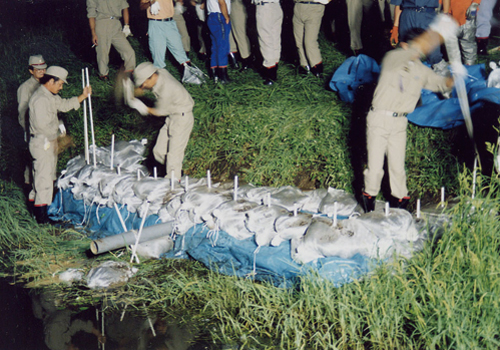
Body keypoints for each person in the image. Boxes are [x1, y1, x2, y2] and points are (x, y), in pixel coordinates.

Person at [361, 15, 457, 212]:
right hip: (379, 118)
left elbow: (439, 83)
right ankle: (368, 200)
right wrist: (433, 35)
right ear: (405, 44)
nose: (421, 50)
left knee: (397, 166)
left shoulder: (420, 70)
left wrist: (455, 76)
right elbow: (411, 52)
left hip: (399, 123)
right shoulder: (393, 58)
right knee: (375, 167)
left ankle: (400, 203)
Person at [29, 66, 92, 224]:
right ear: (51, 81)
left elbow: (63, 105)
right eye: (60, 84)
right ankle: (42, 219)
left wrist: (82, 96)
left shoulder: (49, 96)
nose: (61, 87)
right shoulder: (40, 99)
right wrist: (60, 137)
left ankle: (37, 212)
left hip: (48, 144)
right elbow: (42, 125)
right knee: (43, 181)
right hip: (42, 142)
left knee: (47, 178)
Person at [127, 62, 194, 180]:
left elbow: (159, 111)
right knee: (158, 151)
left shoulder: (166, 88)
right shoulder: (158, 73)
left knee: (174, 154)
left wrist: (142, 107)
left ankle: (173, 180)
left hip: (182, 118)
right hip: (172, 116)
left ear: (151, 77)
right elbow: (147, 84)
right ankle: (175, 170)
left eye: (143, 84)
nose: (144, 86)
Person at [17, 55, 47, 203]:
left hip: (46, 133)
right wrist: (30, 133)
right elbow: (22, 113)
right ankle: (30, 199)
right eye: (38, 69)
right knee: (32, 166)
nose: (42, 71)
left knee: (42, 166)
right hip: (33, 134)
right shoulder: (25, 88)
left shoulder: (46, 85)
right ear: (31, 70)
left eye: (44, 69)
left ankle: (41, 197)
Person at [390, 0, 450, 73]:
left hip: (428, 15)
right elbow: (398, 5)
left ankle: (439, 81)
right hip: (407, 16)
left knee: (434, 54)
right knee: (406, 52)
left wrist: (445, 16)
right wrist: (395, 28)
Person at [87, 0, 136, 81]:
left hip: (116, 24)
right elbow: (91, 15)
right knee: (102, 52)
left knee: (128, 51)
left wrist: (126, 25)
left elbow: (125, 7)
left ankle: (129, 73)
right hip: (101, 23)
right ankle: (103, 75)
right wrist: (93, 33)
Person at [140, 0, 192, 71]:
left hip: (170, 23)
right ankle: (160, 77)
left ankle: (192, 76)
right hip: (155, 23)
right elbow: (142, 7)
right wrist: (150, 3)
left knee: (179, 50)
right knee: (158, 54)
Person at [293, 0, 329, 77]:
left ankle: (316, 65)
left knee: (309, 41)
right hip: (298, 6)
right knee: (298, 40)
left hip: (314, 7)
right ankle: (304, 65)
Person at [253, 0, 283, 85]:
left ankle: (270, 73)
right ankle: (274, 68)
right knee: (275, 38)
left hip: (264, 7)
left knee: (266, 39)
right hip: (276, 6)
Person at [449, 0, 481, 65]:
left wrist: (475, 3)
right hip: (450, 16)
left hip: (467, 15)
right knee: (451, 45)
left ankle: (469, 66)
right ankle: (455, 66)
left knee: (468, 43)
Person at [207, 0, 232, 82]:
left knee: (215, 46)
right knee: (223, 46)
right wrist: (226, 16)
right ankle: (223, 77)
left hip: (211, 15)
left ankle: (215, 74)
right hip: (219, 15)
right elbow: (221, 2)